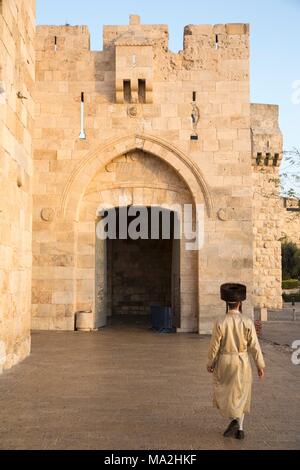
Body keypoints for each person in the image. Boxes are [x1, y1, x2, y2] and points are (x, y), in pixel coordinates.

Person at [207, 284, 265, 440]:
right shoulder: (247, 322)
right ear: (240, 303)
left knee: (227, 393)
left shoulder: (220, 321)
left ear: (227, 303)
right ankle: (240, 428)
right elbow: (254, 345)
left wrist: (210, 363)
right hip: (242, 361)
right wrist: (260, 365)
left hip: (224, 361)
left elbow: (214, 346)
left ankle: (233, 421)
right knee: (242, 393)